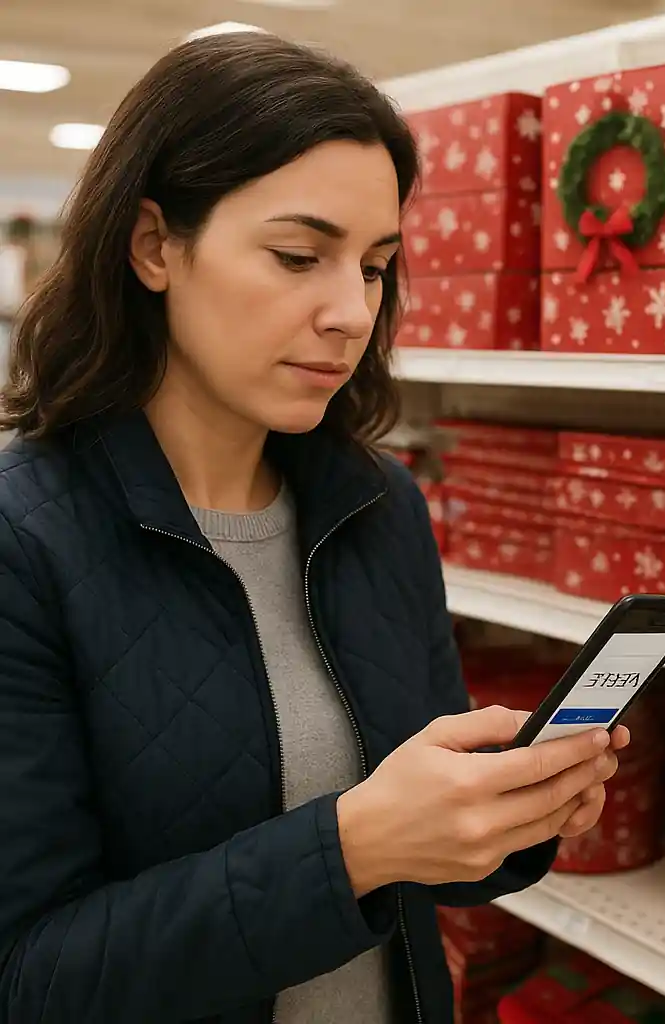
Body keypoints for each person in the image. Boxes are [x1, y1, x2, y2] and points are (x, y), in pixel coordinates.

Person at [0, 32, 628, 1024]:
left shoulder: (377, 506)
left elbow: (423, 857)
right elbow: (30, 977)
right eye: (300, 256)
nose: (352, 311)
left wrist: (504, 817)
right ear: (155, 244)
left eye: (376, 267)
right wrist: (354, 845)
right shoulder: (24, 540)